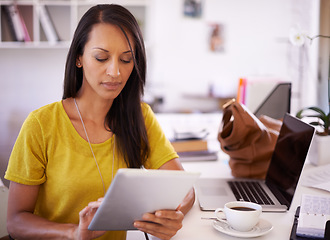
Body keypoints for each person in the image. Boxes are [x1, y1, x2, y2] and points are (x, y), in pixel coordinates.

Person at [5, 4, 195, 240]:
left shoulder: (140, 117)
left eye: (126, 60)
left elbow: (184, 189)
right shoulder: (41, 125)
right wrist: (74, 233)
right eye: (101, 57)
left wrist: (175, 215)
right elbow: (15, 221)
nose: (115, 72)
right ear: (79, 58)